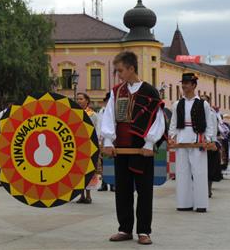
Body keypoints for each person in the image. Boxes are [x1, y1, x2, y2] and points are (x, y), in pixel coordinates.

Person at [101, 51, 165, 245]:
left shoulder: (150, 92)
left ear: (131, 68)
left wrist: (149, 143)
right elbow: (109, 116)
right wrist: (108, 141)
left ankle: (144, 231)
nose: (118, 74)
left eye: (121, 70)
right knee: (122, 190)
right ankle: (125, 229)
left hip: (142, 149)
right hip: (121, 148)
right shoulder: (116, 91)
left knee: (145, 191)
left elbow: (158, 120)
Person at [168, 75, 214, 212]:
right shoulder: (177, 104)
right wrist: (172, 136)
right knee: (182, 173)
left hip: (197, 140)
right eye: (183, 83)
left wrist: (208, 139)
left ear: (194, 85)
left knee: (199, 172)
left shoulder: (203, 104)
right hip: (181, 140)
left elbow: (209, 124)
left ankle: (201, 204)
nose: (184, 86)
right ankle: (184, 203)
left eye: (187, 83)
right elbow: (174, 123)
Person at [76, 92, 99, 204]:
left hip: (89, 145)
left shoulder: (92, 115)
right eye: (78, 99)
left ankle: (88, 195)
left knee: (88, 170)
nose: (79, 101)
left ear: (87, 101)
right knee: (79, 171)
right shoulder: (75, 113)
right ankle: (81, 195)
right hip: (78, 146)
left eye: (81, 99)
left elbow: (96, 130)